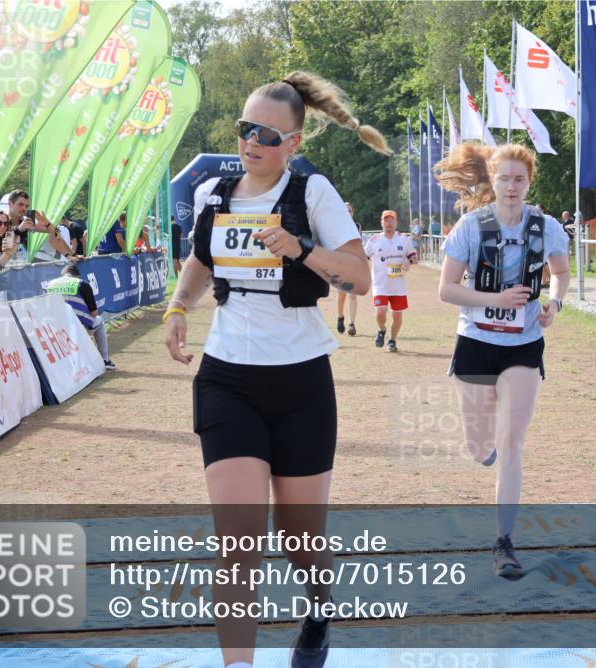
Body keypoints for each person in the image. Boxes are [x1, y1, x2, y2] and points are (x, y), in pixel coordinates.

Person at [163, 70, 387, 668]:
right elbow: (199, 259)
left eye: (266, 132)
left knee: (299, 534)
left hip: (301, 381)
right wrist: (180, 306)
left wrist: (302, 249)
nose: (251, 141)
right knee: (237, 542)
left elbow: (361, 279)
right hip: (227, 379)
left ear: (293, 143)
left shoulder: (312, 194)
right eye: (245, 128)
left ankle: (319, 602)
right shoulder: (214, 192)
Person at [435, 142, 570, 579]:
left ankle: (504, 543)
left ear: (529, 182)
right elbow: (447, 290)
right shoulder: (471, 227)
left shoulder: (546, 227)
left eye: (519, 179)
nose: (511, 187)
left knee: (512, 441)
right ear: (491, 181)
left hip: (523, 344)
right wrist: (496, 299)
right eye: (504, 178)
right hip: (475, 341)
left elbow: (562, 273)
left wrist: (554, 303)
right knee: (480, 446)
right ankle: (485, 452)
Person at [45, 264, 116, 370]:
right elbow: (94, 313)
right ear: (77, 275)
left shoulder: (50, 284)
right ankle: (104, 360)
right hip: (76, 326)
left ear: (62, 275)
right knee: (99, 321)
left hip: (55, 328)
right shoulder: (82, 284)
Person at [364, 210, 417, 352]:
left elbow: (414, 257)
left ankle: (392, 340)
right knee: (381, 312)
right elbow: (364, 258)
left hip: (398, 286)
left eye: (391, 220)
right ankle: (381, 330)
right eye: (386, 220)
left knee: (397, 314)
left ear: (396, 222)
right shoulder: (373, 241)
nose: (389, 223)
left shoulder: (404, 240)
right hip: (380, 284)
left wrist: (408, 261)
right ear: (381, 222)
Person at [335, 203, 360, 336]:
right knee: (341, 296)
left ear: (353, 212)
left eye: (349, 210)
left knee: (352, 295)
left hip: (353, 265)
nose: (347, 212)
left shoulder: (357, 227)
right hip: (340, 264)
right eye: (345, 210)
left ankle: (352, 324)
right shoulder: (335, 226)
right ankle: (340, 317)